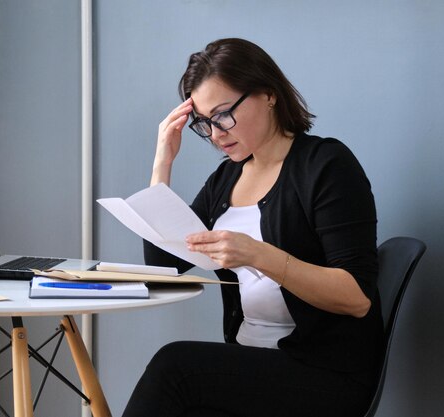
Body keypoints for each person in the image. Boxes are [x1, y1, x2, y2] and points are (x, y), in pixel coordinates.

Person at [122, 38, 383, 417]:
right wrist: (163, 160)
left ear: (268, 94)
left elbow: (357, 298)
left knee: (175, 367)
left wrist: (260, 255)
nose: (215, 133)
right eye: (205, 123)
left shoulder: (326, 165)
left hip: (325, 373)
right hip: (251, 361)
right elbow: (164, 263)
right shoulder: (227, 177)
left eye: (223, 115)